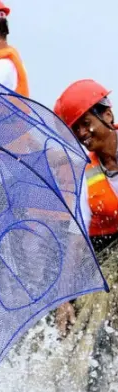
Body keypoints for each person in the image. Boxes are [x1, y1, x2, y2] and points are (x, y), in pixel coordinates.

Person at [53, 79, 118, 334]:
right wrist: (64, 300)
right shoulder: (87, 175)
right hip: (103, 260)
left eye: (86, 123)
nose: (82, 133)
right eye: (75, 128)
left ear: (107, 115)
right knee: (97, 330)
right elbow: (77, 240)